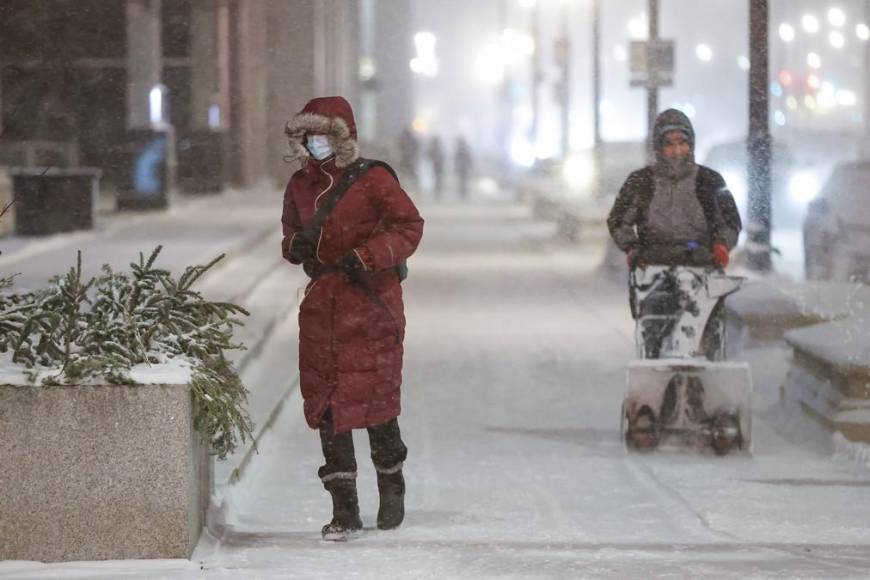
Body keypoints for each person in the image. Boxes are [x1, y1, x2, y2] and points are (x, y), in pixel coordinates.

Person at [282, 96, 424, 541]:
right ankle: (344, 509)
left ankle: (391, 484)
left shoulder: (374, 179)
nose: (315, 144)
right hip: (323, 306)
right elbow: (289, 231)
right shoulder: (299, 185)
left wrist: (367, 256)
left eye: (323, 135)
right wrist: (294, 248)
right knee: (328, 405)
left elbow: (408, 226)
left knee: (376, 400)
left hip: (371, 302)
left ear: (343, 137)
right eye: (308, 136)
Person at [607, 108, 742, 359]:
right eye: (669, 144)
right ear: (658, 147)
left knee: (705, 336)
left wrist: (722, 246)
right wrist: (632, 248)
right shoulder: (641, 182)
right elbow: (618, 221)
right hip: (654, 269)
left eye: (682, 143)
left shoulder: (709, 181)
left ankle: (706, 382)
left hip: (701, 266)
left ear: (691, 144)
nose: (677, 150)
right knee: (655, 336)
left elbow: (730, 222)